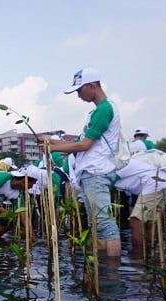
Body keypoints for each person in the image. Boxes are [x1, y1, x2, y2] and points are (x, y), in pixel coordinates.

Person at [48, 67, 122, 257]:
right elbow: (78, 142)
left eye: (80, 90)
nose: (78, 96)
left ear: (92, 85)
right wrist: (50, 142)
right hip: (90, 172)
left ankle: (112, 271)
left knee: (103, 221)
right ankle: (102, 268)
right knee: (96, 223)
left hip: (96, 171)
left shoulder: (104, 109)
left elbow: (85, 145)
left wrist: (54, 148)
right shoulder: (97, 112)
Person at [114, 158, 166, 253]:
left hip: (153, 182)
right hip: (162, 181)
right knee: (149, 221)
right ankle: (149, 252)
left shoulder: (109, 166)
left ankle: (138, 256)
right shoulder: (120, 161)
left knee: (136, 220)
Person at [0, 166, 40, 242]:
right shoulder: (4, 178)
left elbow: (24, 216)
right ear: (24, 181)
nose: (31, 188)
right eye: (31, 184)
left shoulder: (18, 193)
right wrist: (2, 210)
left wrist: (32, 235)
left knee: (9, 221)